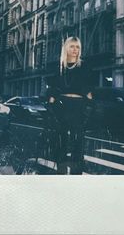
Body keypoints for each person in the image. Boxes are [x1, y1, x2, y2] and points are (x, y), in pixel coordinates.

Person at [48, 36, 93, 175]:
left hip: (79, 106)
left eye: (78, 47)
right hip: (62, 106)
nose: (75, 50)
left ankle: (76, 175)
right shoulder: (59, 67)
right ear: (66, 48)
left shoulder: (84, 65)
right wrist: (51, 104)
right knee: (61, 139)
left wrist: (89, 106)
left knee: (78, 140)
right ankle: (60, 173)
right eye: (72, 46)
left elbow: (89, 89)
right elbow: (54, 88)